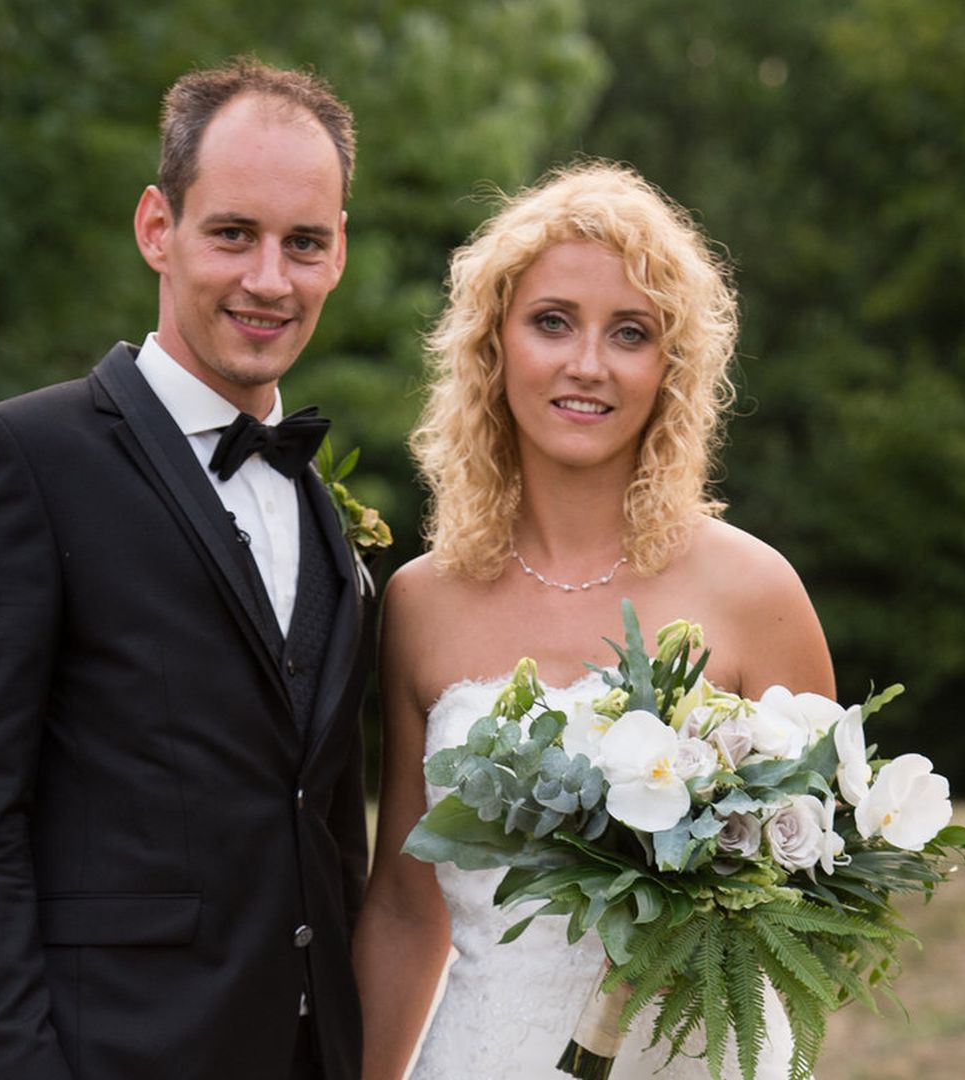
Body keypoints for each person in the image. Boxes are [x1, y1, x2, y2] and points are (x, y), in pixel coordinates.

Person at [0, 58, 372, 1080]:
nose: (268, 280)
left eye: (304, 243)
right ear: (158, 227)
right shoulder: (25, 459)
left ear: (340, 253)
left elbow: (325, 828)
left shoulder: (319, 505)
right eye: (233, 233)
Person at [353, 162, 836, 1079]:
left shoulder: (755, 591)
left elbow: (819, 910)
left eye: (631, 333)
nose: (588, 364)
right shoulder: (421, 602)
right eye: (552, 322)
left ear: (673, 367)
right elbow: (409, 909)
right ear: (493, 347)